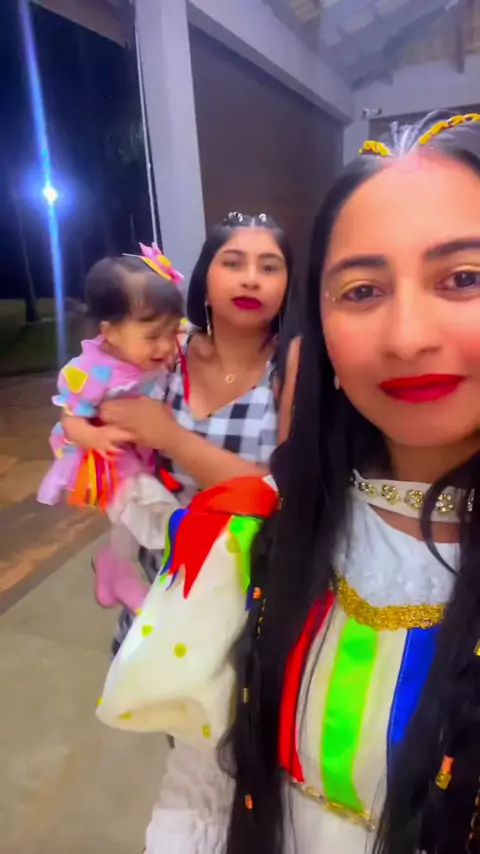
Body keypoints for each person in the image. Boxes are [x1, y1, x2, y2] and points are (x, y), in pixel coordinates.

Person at [98, 109, 480, 854]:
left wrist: (170, 439)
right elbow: (203, 788)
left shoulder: (280, 379)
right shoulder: (246, 528)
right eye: (362, 290)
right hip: (179, 578)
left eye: (463, 278)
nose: (407, 337)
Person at [101, 212, 294, 652]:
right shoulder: (166, 355)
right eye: (233, 263)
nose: (251, 279)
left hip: (251, 597)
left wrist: (171, 437)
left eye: (269, 267)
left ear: (287, 289)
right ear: (205, 282)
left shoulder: (294, 365)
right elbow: (96, 409)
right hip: (161, 588)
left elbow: (285, 494)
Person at [38, 250, 184, 614]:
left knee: (128, 521)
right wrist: (97, 438)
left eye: (171, 332)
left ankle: (112, 565)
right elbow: (71, 419)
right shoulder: (89, 372)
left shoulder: (149, 352)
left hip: (138, 447)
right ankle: (122, 569)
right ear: (109, 332)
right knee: (149, 506)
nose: (165, 346)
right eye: (153, 336)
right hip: (105, 457)